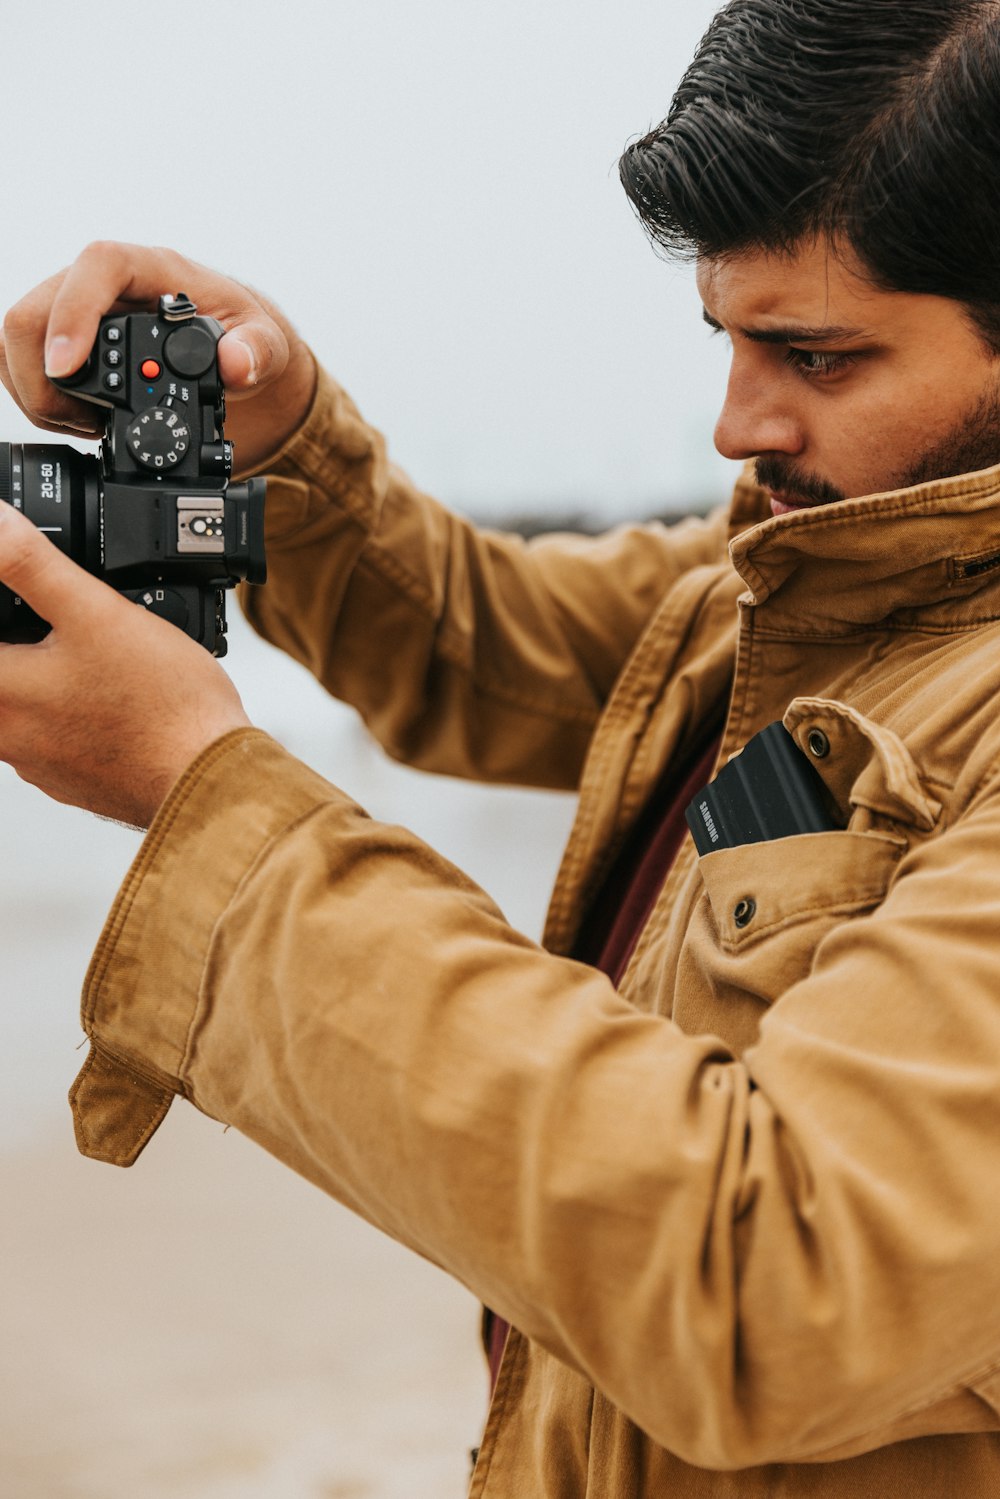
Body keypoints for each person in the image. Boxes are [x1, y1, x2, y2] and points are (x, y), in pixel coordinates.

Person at [4, 0, 1000, 1492]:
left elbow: (778, 1286)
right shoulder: (814, 581)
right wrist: (281, 442)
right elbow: (476, 651)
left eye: (816, 356)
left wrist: (203, 793)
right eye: (726, 338)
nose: (734, 423)